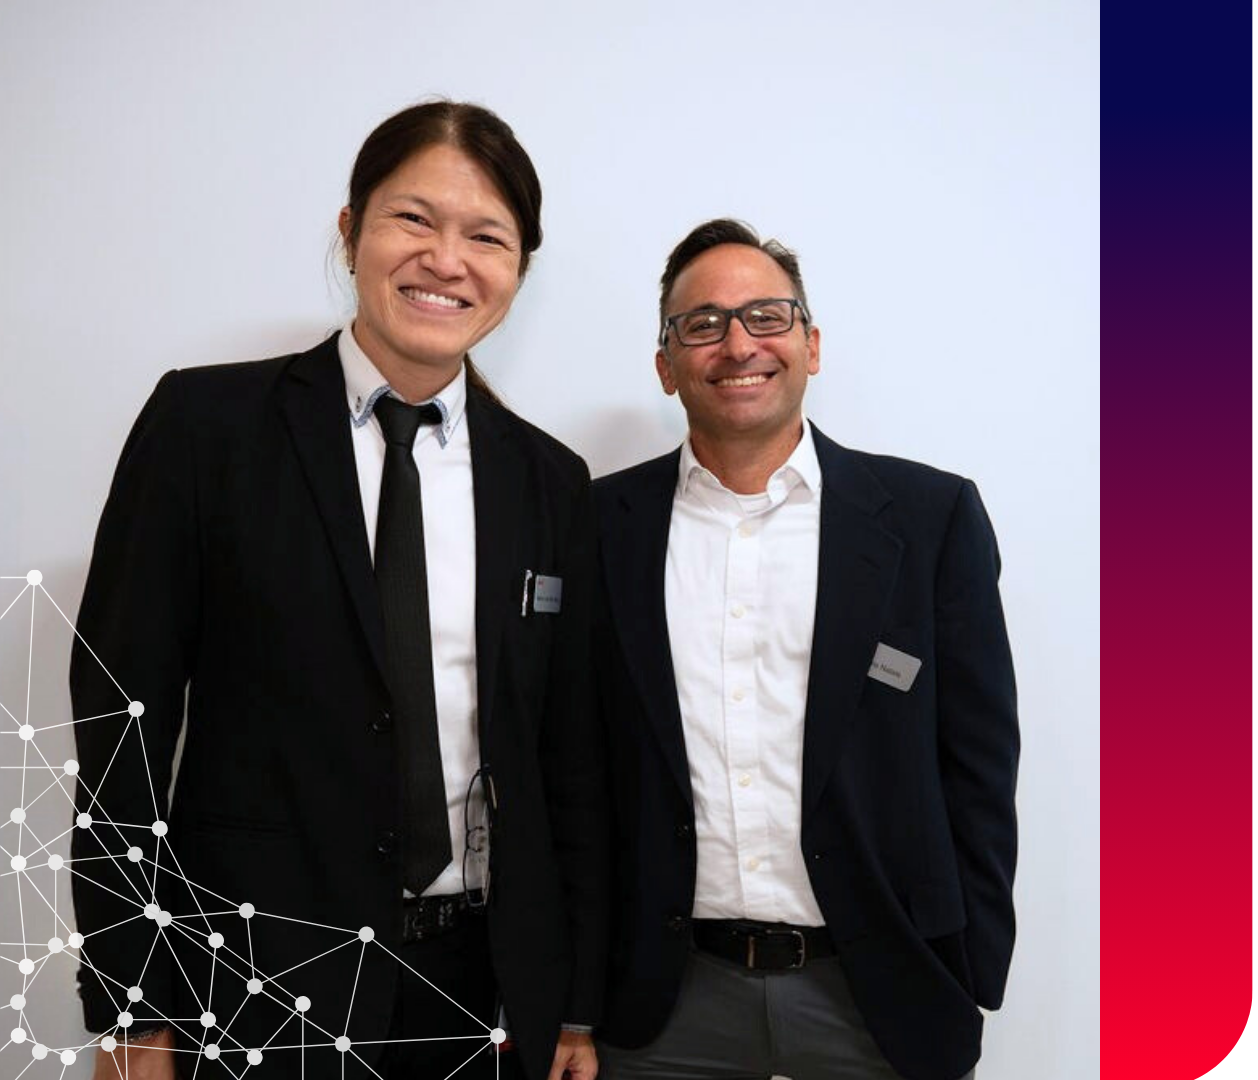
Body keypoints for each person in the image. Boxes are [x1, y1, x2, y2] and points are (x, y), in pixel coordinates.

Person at [70, 101, 605, 1080]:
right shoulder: (206, 428)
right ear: (352, 231)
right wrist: (132, 1002)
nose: (446, 260)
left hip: (482, 991)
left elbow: (565, 760)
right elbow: (121, 727)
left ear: (518, 270)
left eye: (486, 236)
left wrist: (571, 1002)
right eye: (414, 219)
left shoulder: (548, 480)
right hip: (254, 984)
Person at [592, 219, 1018, 1080]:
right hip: (663, 1004)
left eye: (766, 316)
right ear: (666, 365)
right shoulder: (599, 525)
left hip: (880, 994)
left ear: (811, 345)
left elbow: (979, 763)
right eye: (703, 324)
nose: (738, 344)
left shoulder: (929, 519)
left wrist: (968, 964)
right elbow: (578, 765)